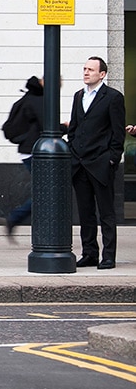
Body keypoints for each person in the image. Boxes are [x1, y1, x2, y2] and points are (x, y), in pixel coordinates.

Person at [67, 56, 125, 269]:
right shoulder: (78, 96)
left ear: (102, 74)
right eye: (84, 69)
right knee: (85, 212)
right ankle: (89, 252)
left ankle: (108, 255)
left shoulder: (113, 97)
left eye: (90, 69)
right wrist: (73, 150)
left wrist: (111, 159)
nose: (86, 72)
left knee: (107, 213)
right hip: (80, 164)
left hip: (101, 163)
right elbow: (74, 128)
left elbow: (118, 133)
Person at [0, 76, 45, 235]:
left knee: (44, 191)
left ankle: (17, 219)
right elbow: (47, 125)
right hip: (35, 151)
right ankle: (15, 218)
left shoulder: (28, 97)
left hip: (27, 150)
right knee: (45, 192)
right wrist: (66, 128)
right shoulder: (38, 100)